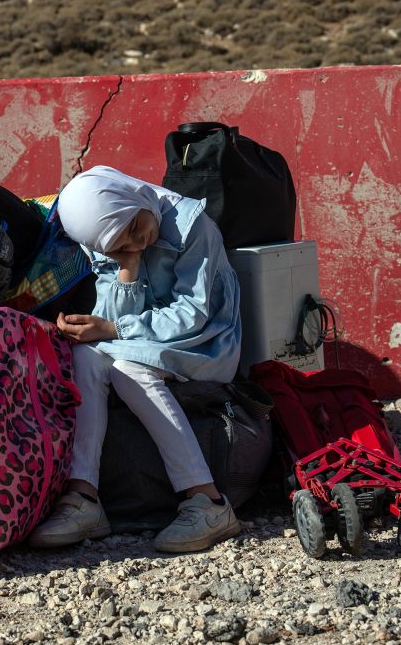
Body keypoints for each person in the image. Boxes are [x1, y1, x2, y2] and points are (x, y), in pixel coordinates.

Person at [27, 166, 244, 553]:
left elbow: (193, 313)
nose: (139, 240)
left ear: (131, 198)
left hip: (205, 340)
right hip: (145, 339)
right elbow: (115, 313)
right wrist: (127, 267)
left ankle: (208, 502)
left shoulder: (193, 227)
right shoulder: (108, 239)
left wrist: (114, 330)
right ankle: (85, 498)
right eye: (120, 241)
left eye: (133, 228)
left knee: (128, 368)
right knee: (85, 358)